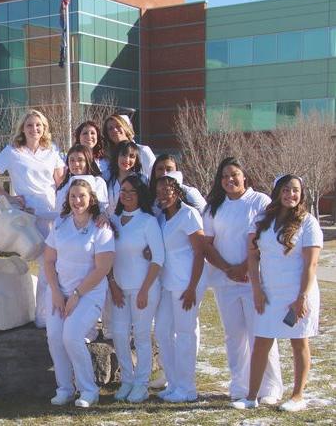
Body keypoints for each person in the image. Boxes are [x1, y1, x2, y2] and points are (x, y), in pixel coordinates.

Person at [233, 175, 323, 412]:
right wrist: (256, 289)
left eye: (295, 190)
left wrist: (302, 297)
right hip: (269, 292)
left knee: (298, 341)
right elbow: (252, 257)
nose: (290, 194)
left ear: (301, 194)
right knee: (261, 342)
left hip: (297, 293)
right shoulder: (262, 220)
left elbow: (311, 265)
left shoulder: (308, 222)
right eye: (285, 190)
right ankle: (251, 396)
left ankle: (297, 396)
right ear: (277, 193)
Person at [203, 157, 283, 403]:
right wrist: (228, 268)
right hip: (225, 282)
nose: (230, 180)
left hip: (254, 282)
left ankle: (270, 388)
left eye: (234, 174)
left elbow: (265, 239)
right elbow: (207, 245)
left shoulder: (260, 201)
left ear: (244, 176)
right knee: (234, 336)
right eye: (225, 176)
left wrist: (245, 268)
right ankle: (239, 386)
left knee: (261, 333)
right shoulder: (213, 207)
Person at [0, 109, 66, 327]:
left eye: (38, 125)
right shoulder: (12, 151)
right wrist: (7, 198)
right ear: (22, 128)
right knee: (44, 264)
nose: (34, 129)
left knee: (58, 264)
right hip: (28, 216)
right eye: (29, 125)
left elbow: (61, 182)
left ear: (44, 128)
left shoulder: (52, 150)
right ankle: (43, 317)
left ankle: (58, 314)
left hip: (52, 212)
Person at [43, 178, 115, 408]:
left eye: (82, 196)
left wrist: (75, 295)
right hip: (59, 293)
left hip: (88, 294)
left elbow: (103, 268)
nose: (77, 201)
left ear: (91, 198)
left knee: (71, 336)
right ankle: (64, 389)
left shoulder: (101, 227)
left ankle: (88, 390)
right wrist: (55, 291)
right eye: (72, 196)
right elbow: (48, 261)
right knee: (55, 337)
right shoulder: (61, 224)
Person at [108, 174, 164, 403]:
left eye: (132, 192)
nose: (127, 195)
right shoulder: (113, 219)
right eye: (123, 191)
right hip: (119, 289)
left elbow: (158, 258)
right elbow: (106, 256)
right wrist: (112, 284)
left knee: (141, 336)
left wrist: (144, 290)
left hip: (144, 289)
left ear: (140, 195)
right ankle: (127, 380)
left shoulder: (148, 221)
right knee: (120, 335)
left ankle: (141, 383)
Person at [154, 171, 206, 403]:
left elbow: (200, 252)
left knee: (184, 335)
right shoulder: (162, 217)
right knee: (162, 332)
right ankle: (174, 383)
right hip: (167, 282)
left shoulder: (189, 214)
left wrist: (193, 286)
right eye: (159, 191)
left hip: (186, 283)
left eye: (168, 190)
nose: (163, 195)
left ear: (177, 191)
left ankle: (187, 388)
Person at [50, 144, 108, 214]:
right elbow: (59, 211)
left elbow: (103, 208)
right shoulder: (64, 186)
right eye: (72, 160)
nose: (76, 164)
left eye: (80, 160)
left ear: (88, 161)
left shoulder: (97, 182)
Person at [103, 114, 155, 179]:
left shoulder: (143, 150)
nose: (115, 130)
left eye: (118, 126)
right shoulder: (108, 156)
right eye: (110, 128)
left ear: (125, 128)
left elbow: (154, 175)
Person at [106, 140, 146, 214]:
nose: (127, 160)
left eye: (131, 156)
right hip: (111, 222)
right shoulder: (107, 178)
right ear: (117, 156)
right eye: (123, 155)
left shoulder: (142, 180)